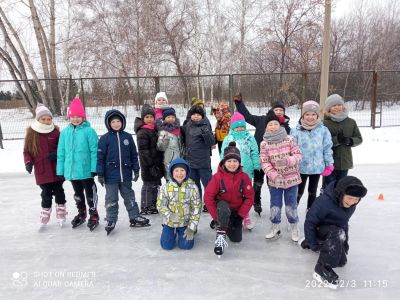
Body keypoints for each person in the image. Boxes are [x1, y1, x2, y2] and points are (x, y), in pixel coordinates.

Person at [300, 176, 368, 289]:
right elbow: (310, 223)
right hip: (319, 230)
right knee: (337, 233)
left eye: (357, 199)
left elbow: (344, 223)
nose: (352, 202)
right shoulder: (324, 202)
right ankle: (322, 268)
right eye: (350, 198)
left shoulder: (351, 206)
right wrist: (313, 245)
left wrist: (344, 243)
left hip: (334, 232)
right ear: (340, 193)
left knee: (340, 262)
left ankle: (319, 244)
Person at [232, 94, 291, 215]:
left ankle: (274, 205)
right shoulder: (261, 120)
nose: (279, 112)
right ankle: (256, 202)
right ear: (272, 111)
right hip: (260, 158)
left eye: (281, 110)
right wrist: (239, 103)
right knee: (258, 182)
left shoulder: (285, 127)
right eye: (276, 110)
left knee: (272, 184)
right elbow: (247, 116)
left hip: (275, 161)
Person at [97, 109, 150, 235]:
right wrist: (100, 174)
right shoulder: (104, 139)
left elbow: (133, 154)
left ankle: (134, 216)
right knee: (111, 199)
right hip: (110, 177)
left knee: (129, 196)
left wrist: (136, 169)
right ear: (108, 123)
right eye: (113, 121)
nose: (116, 124)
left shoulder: (127, 137)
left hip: (125, 175)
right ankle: (111, 219)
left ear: (123, 122)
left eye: (118, 121)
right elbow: (100, 158)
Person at [204, 142, 254, 256]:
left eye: (235, 161)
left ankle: (228, 221)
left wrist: (240, 216)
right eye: (229, 161)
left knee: (236, 239)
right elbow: (208, 197)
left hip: (236, 211)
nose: (232, 164)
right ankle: (220, 233)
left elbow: (249, 197)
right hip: (222, 207)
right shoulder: (217, 177)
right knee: (223, 208)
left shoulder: (244, 177)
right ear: (224, 162)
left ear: (239, 162)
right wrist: (216, 217)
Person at [57, 98, 100, 230]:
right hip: (71, 171)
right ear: (69, 116)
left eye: (78, 116)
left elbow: (94, 151)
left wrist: (94, 168)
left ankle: (94, 213)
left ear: (83, 117)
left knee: (90, 194)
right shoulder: (64, 133)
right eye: (73, 116)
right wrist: (60, 171)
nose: (75, 119)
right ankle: (82, 212)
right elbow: (61, 152)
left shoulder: (89, 131)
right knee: (78, 194)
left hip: (86, 171)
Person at [260, 110, 302, 241]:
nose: (273, 126)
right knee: (275, 204)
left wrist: (288, 161)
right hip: (275, 182)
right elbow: (264, 162)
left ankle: (294, 226)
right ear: (266, 126)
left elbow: (298, 156)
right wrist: (273, 175)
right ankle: (275, 226)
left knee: (291, 204)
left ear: (280, 125)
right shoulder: (264, 144)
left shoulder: (289, 139)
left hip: (291, 179)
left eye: (275, 124)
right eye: (270, 124)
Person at [23, 104, 67, 227]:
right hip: (42, 170)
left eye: (49, 119)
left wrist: (56, 153)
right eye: (44, 119)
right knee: (46, 193)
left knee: (59, 191)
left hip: (57, 168)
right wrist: (28, 162)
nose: (47, 121)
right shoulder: (32, 133)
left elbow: (63, 147)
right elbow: (27, 151)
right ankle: (45, 214)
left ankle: (61, 211)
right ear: (38, 119)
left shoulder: (56, 131)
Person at [291, 101, 334, 210]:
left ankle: (310, 212)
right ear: (303, 115)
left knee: (312, 192)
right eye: (307, 114)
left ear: (317, 115)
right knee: (298, 192)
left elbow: (327, 148)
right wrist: (292, 165)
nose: (310, 117)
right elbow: (291, 149)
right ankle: (292, 213)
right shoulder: (295, 131)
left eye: (313, 114)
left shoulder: (323, 130)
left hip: (316, 168)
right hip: (300, 168)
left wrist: (329, 164)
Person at [221, 112, 260, 230]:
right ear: (232, 127)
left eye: (242, 126)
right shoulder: (229, 138)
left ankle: (245, 216)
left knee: (245, 195)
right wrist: (223, 167)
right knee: (234, 194)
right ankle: (232, 216)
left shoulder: (249, 138)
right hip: (231, 171)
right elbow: (223, 153)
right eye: (237, 127)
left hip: (246, 171)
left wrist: (257, 166)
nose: (239, 129)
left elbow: (254, 152)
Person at [156, 158, 202, 250]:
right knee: (167, 246)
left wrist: (192, 227)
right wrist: (170, 215)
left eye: (182, 170)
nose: (179, 173)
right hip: (170, 222)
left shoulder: (193, 187)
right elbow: (160, 205)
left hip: (185, 223)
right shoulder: (166, 187)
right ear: (172, 172)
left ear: (187, 172)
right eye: (176, 170)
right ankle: (168, 232)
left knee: (186, 246)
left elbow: (197, 208)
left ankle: (185, 231)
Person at [322, 94, 363, 191]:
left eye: (339, 105)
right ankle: (326, 201)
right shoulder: (324, 123)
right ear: (328, 108)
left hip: (345, 161)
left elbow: (359, 138)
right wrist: (336, 140)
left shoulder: (351, 122)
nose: (337, 107)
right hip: (329, 161)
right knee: (329, 185)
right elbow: (321, 142)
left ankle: (340, 203)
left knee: (342, 185)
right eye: (333, 105)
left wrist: (351, 141)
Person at [181, 104, 216, 211]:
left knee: (208, 184)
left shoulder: (205, 126)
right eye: (194, 114)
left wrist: (207, 134)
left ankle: (209, 203)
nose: (196, 116)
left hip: (203, 162)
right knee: (194, 185)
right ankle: (197, 202)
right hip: (190, 162)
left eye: (198, 115)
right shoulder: (187, 126)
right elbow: (182, 139)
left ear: (202, 116)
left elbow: (211, 143)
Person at [134, 104, 164, 215]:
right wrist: (151, 165)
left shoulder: (155, 129)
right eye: (147, 117)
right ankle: (145, 206)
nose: (150, 119)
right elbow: (143, 151)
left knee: (155, 185)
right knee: (148, 185)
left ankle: (152, 204)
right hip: (148, 165)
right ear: (143, 119)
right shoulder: (142, 132)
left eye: (151, 117)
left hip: (156, 163)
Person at [156, 107, 184, 178]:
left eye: (172, 117)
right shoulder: (163, 131)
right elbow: (160, 148)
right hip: (169, 161)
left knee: (180, 179)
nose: (171, 118)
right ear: (164, 119)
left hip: (180, 160)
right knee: (170, 180)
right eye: (168, 117)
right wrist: (165, 140)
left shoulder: (179, 129)